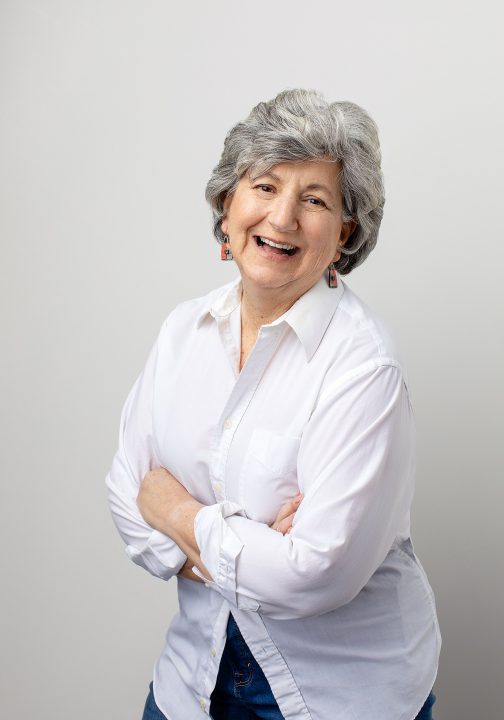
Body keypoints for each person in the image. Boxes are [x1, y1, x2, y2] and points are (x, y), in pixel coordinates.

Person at [106, 89, 441, 720]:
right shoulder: (184, 331)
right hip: (193, 677)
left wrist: (175, 509)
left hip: (337, 695)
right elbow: (126, 496)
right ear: (226, 206)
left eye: (314, 199)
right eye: (264, 186)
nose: (282, 218)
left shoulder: (363, 367)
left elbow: (312, 575)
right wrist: (252, 546)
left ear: (345, 232)